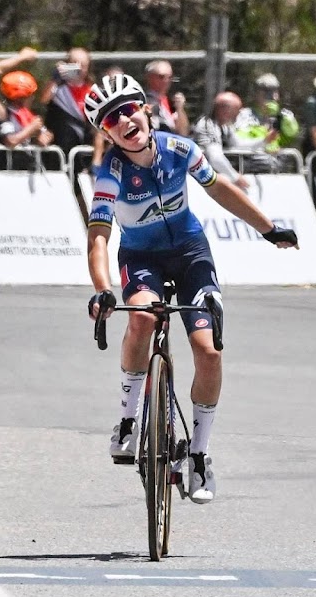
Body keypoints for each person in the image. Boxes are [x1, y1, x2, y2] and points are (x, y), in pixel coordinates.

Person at [83, 74, 299, 503]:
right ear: (105, 132)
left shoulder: (180, 149)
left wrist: (268, 229)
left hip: (190, 253)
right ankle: (128, 421)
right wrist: (103, 289)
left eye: (128, 109)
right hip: (141, 259)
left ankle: (198, 455)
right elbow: (99, 237)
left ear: (145, 108)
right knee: (143, 318)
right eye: (111, 119)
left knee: (209, 350)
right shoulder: (110, 173)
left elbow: (220, 189)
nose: (123, 120)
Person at [40, 47, 95, 168]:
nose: (79, 67)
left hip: (82, 146)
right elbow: (44, 100)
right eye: (74, 63)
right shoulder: (58, 88)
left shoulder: (92, 91)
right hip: (60, 145)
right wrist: (56, 77)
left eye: (83, 64)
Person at [234, 73, 300, 173]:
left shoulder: (285, 115)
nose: (271, 96)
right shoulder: (245, 115)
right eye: (266, 91)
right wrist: (265, 144)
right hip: (254, 167)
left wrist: (278, 116)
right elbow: (240, 140)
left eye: (274, 91)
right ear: (256, 93)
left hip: (280, 168)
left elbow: (292, 133)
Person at [0, 71, 54, 170]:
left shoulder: (28, 115)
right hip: (8, 169)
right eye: (29, 95)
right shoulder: (4, 114)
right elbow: (10, 141)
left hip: (28, 168)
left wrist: (43, 136)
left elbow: (45, 136)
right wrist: (31, 129)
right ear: (20, 98)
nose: (32, 98)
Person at [143, 60, 189, 135]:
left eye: (170, 77)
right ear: (149, 77)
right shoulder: (145, 101)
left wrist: (180, 109)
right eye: (161, 77)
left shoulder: (171, 101)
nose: (166, 81)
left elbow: (183, 132)